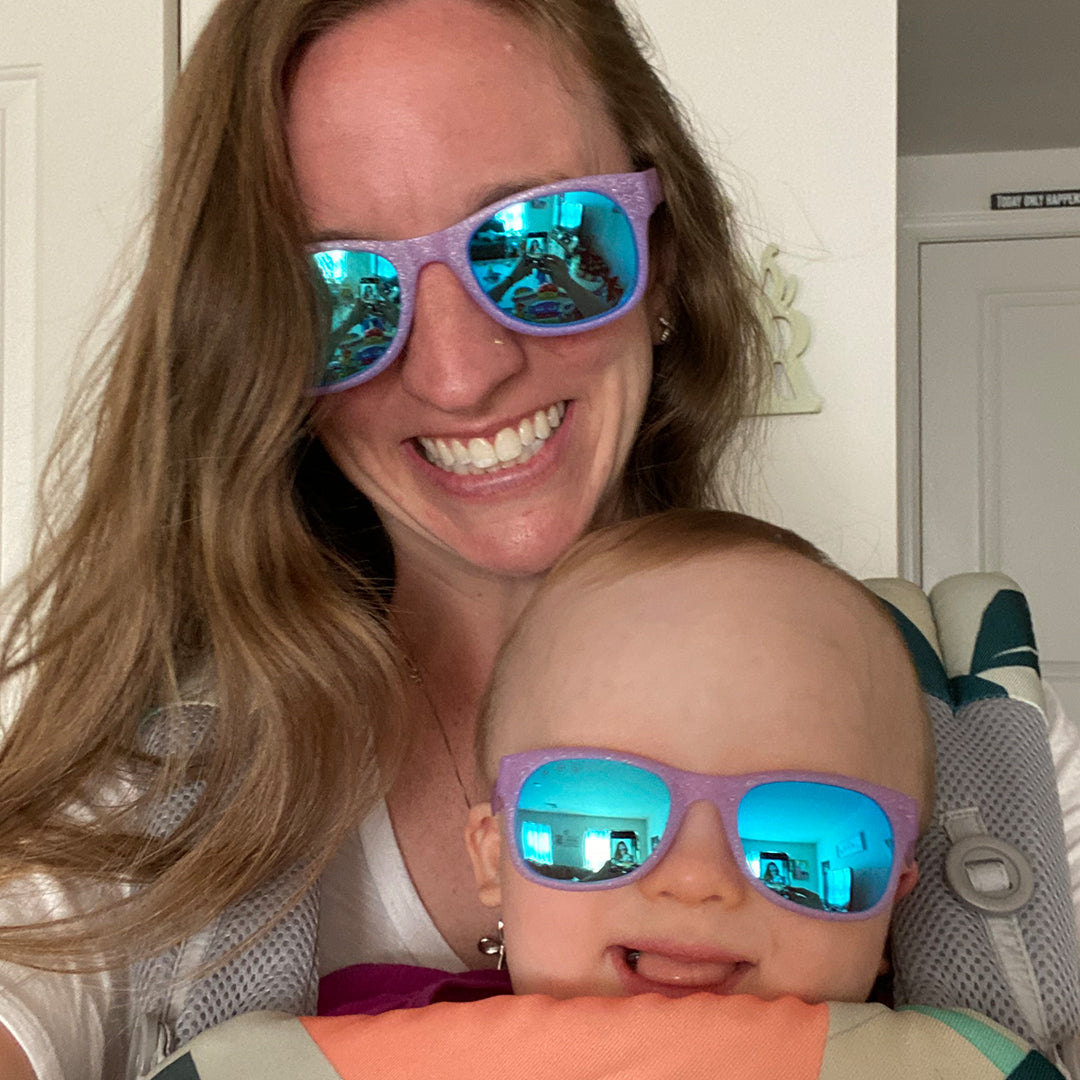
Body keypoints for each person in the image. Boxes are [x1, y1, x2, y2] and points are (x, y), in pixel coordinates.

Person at [0, 0, 769, 1076]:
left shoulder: (936, 745)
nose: (459, 375)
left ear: (665, 255)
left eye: (543, 242)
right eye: (341, 293)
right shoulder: (145, 802)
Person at [145, 512, 1062, 1080]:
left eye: (807, 839)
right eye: (598, 818)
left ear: (896, 897)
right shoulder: (341, 1044)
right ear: (493, 858)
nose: (697, 880)